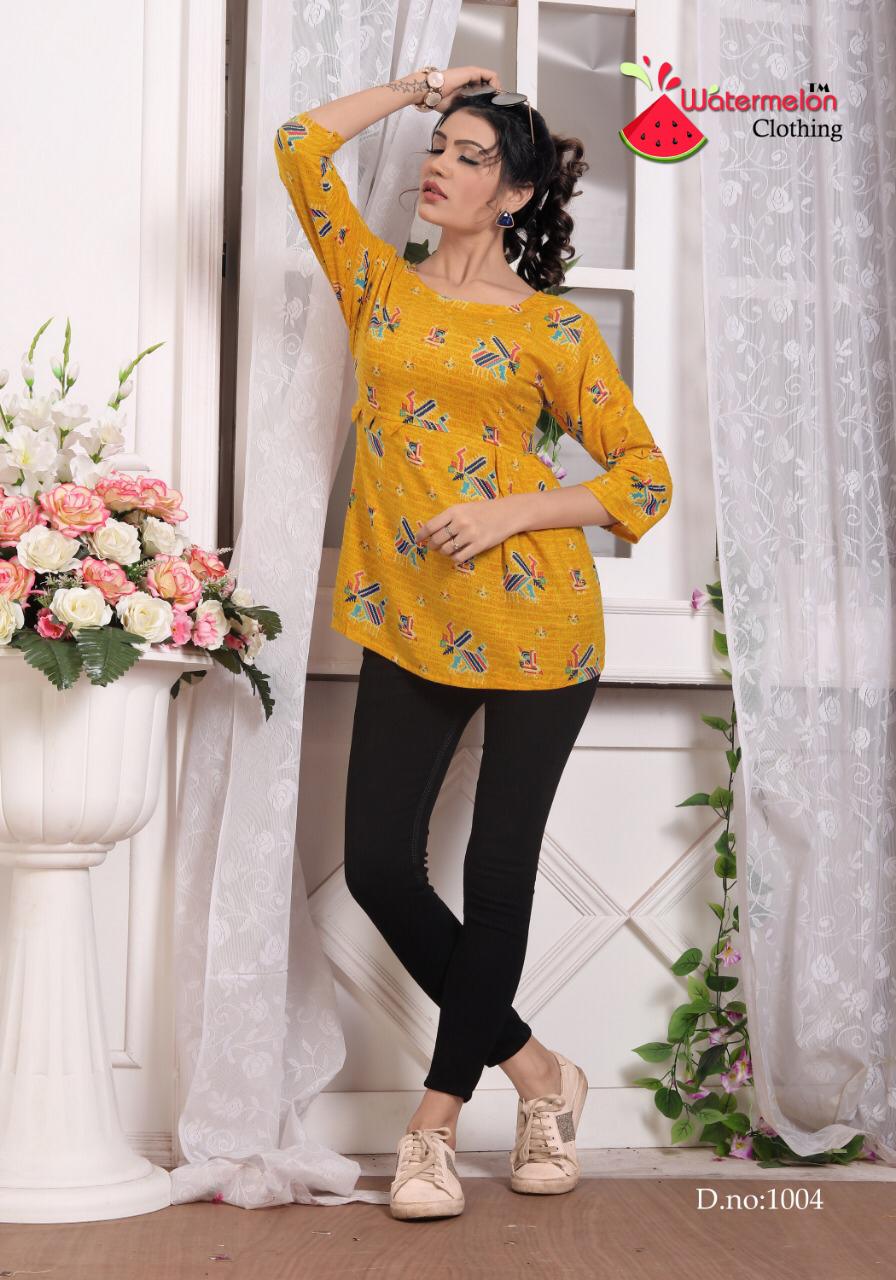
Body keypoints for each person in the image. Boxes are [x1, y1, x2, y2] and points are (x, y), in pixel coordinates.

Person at [275, 64, 673, 1221]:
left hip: (539, 623)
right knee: (380, 868)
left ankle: (433, 1126)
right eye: (436, 148)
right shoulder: (376, 285)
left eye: (469, 156)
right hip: (410, 617)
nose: (439, 168)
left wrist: (512, 511)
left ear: (514, 194)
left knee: (496, 874)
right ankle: (540, 1073)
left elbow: (640, 479)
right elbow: (299, 144)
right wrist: (418, 88)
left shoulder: (553, 329)